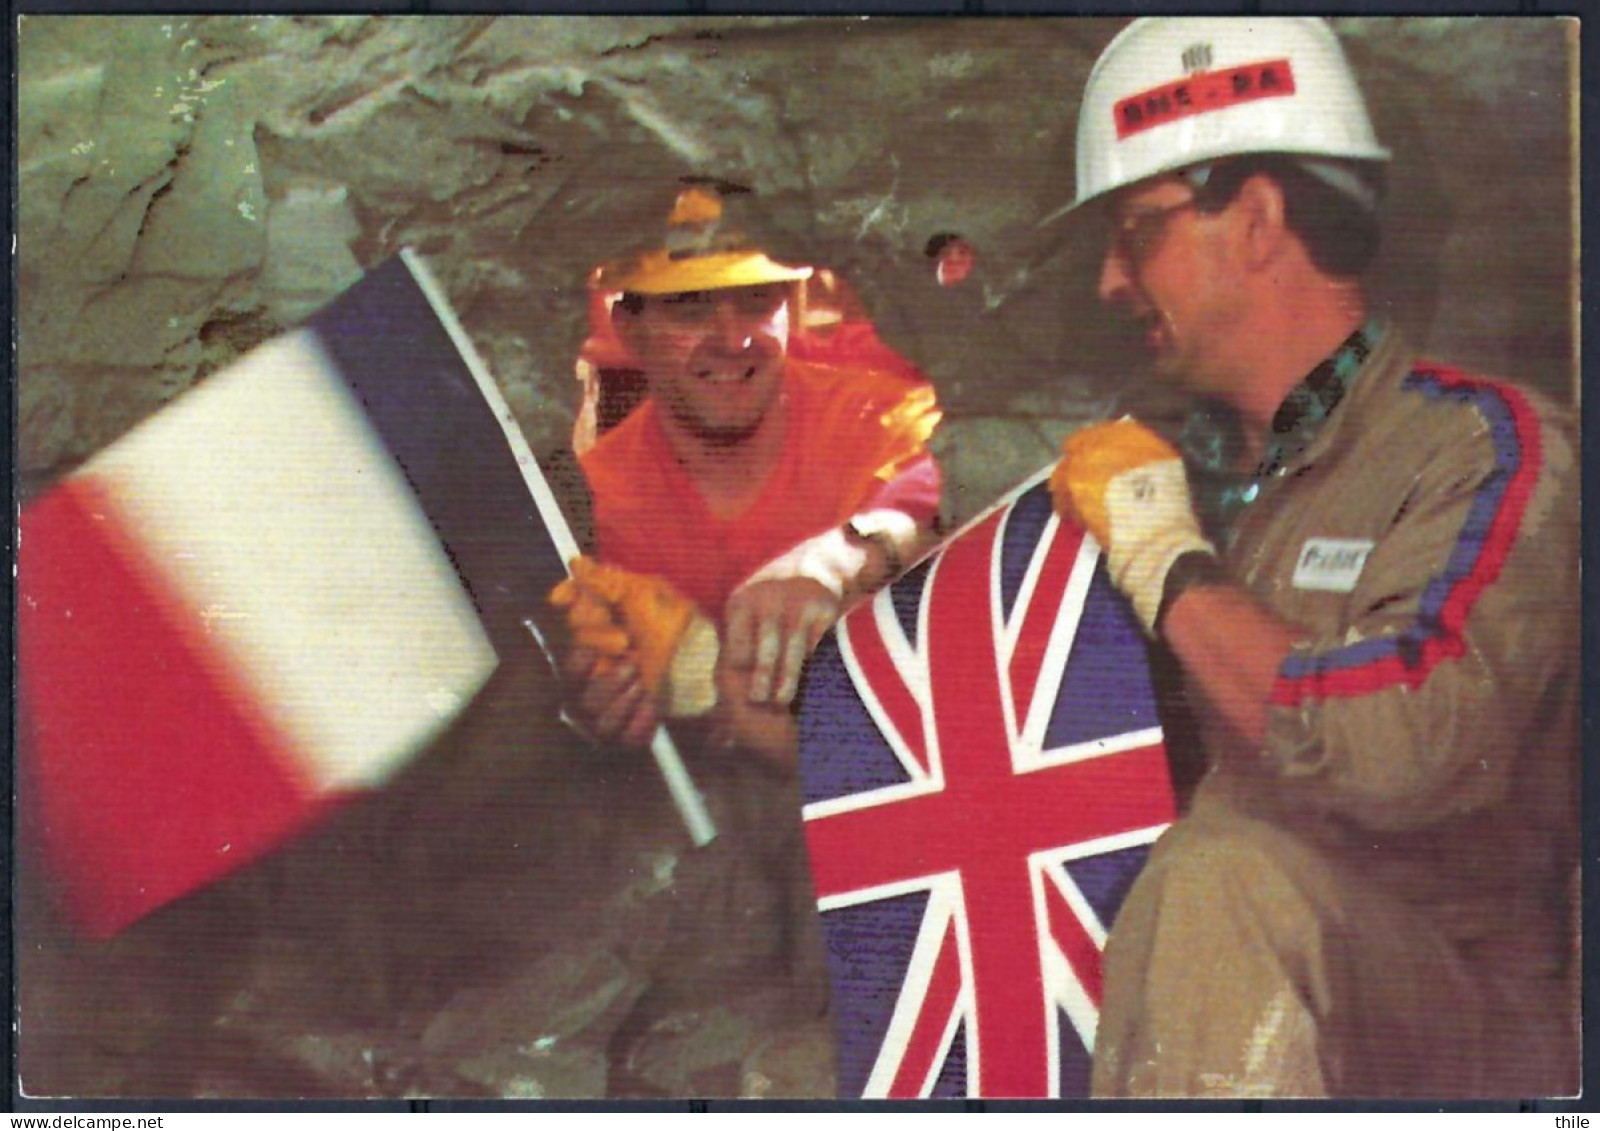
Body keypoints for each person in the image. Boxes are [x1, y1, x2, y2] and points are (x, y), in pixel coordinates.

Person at [1046, 18, 1578, 1098]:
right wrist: (735, 684)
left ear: (1254, 218)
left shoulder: (1480, 445)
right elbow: (1017, 747)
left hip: (1454, 1028)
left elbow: (1410, 742)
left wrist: (1169, 567)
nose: (1108, 280)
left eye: (1137, 230)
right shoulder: (1162, 470)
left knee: (1219, 882)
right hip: (1212, 1011)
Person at [548, 180, 944, 1086]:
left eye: (757, 300)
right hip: (704, 813)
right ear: (634, 323)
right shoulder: (601, 491)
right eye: (690, 309)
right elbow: (582, 676)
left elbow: (918, 499)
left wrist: (841, 557)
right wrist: (599, 708)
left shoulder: (861, 415)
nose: (732, 340)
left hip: (866, 797)